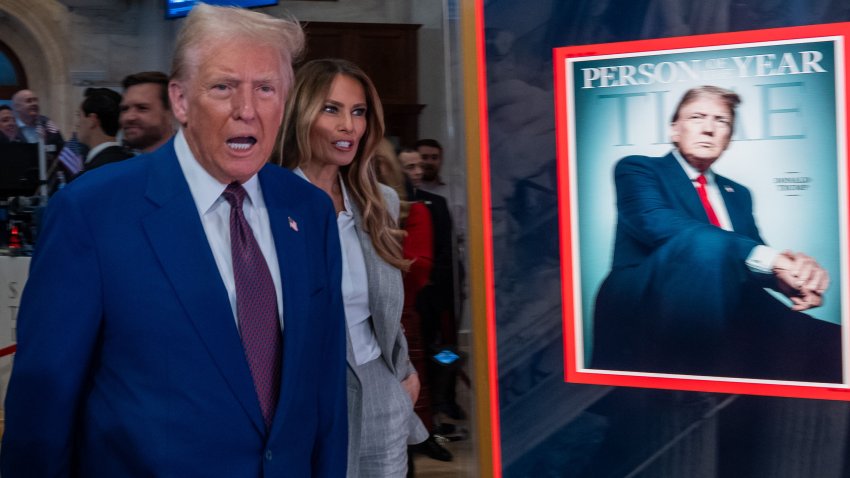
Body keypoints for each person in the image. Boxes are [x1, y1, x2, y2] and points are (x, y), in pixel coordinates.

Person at [1, 5, 347, 477]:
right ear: (181, 100)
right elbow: (44, 401)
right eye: (224, 87)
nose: (247, 109)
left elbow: (324, 389)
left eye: (266, 89)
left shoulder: (309, 212)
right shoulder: (93, 212)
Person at [592, 85, 841, 383]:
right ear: (675, 130)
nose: (709, 129)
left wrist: (788, 278)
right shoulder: (638, 169)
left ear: (729, 138)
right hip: (647, 301)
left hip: (732, 305)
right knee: (705, 241)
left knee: (834, 344)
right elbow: (653, 222)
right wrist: (772, 259)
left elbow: (751, 257)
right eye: (697, 117)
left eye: (721, 121)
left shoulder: (738, 194)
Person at [279, 58, 428, 476]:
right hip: (305, 400)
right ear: (300, 114)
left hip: (381, 390)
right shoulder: (269, 203)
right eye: (332, 109)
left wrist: (404, 377)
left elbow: (385, 309)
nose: (349, 126)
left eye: (358, 112)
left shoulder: (380, 202)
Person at [75, 87, 133, 174]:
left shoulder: (92, 173)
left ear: (92, 120)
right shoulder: (130, 162)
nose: (77, 124)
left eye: (79, 115)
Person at [119, 71, 174, 153]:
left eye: (142, 108)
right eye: (125, 109)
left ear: (171, 112)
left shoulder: (193, 162)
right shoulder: (125, 165)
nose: (129, 117)